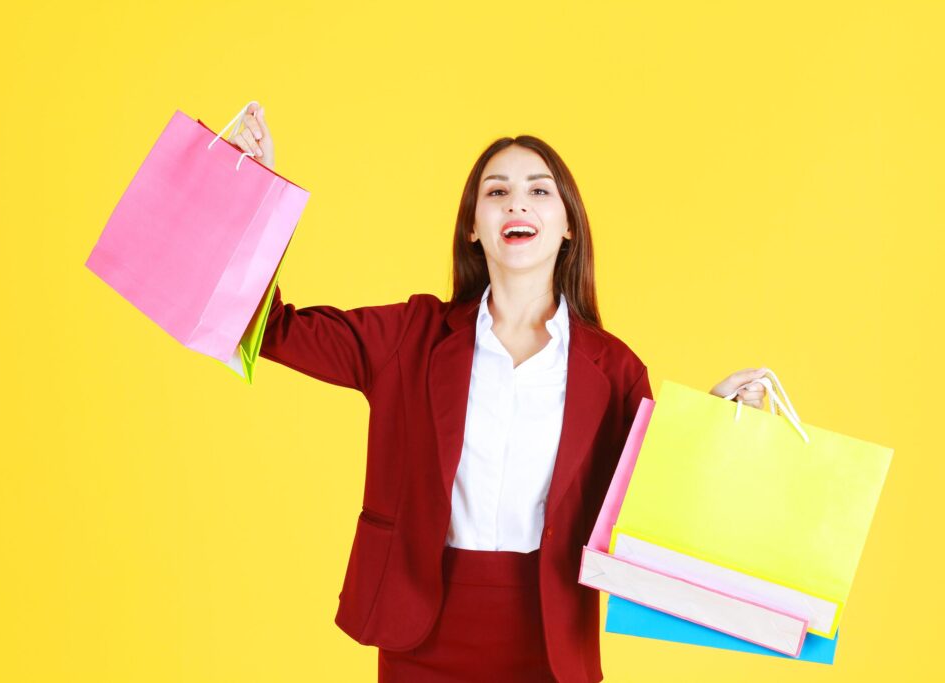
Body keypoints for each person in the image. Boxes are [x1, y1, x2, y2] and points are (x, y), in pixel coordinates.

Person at [228, 100, 770, 683]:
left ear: (568, 227)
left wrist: (712, 426)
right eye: (496, 192)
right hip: (421, 632)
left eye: (540, 192)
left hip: (549, 635)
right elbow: (273, 329)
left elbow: (647, 504)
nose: (517, 202)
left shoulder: (613, 370)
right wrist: (250, 197)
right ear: (472, 226)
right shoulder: (410, 337)